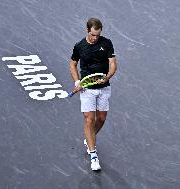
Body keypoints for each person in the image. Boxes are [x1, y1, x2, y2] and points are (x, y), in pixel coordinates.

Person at [69, 18, 117, 171]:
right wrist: (77, 82)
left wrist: (107, 77)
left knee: (101, 118)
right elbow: (73, 64)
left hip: (104, 86)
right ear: (87, 30)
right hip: (87, 89)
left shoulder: (106, 43)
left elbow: (113, 64)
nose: (95, 38)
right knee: (90, 119)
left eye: (98, 35)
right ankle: (93, 155)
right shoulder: (79, 46)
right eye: (93, 35)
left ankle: (89, 139)